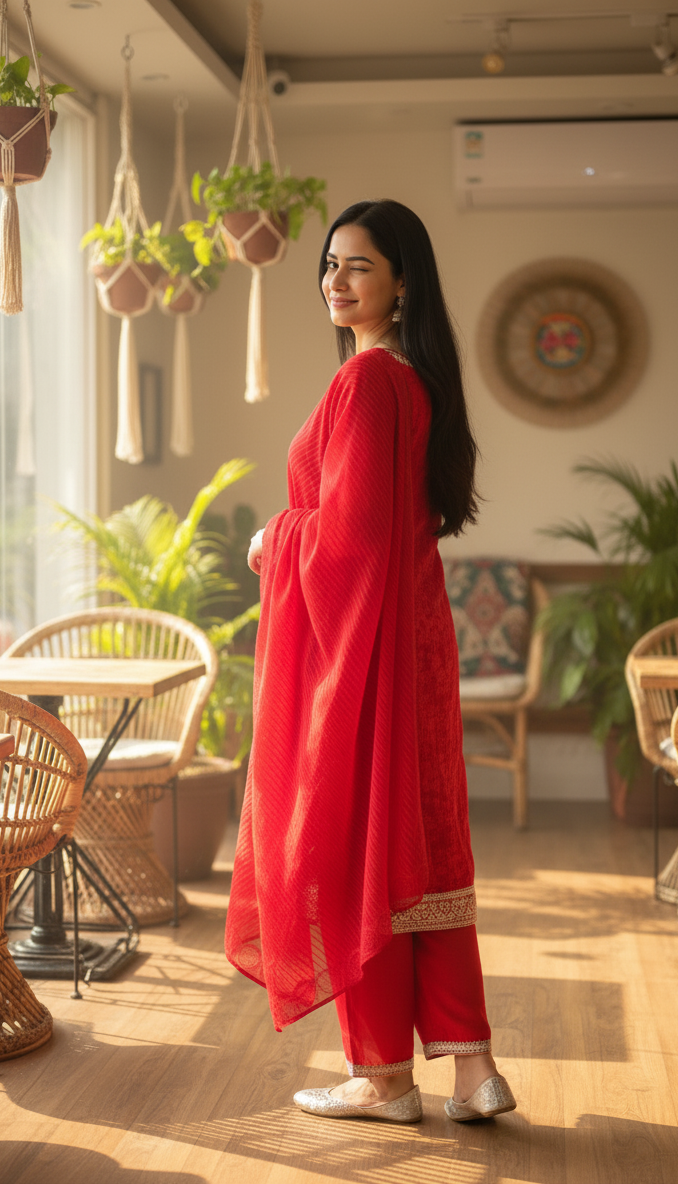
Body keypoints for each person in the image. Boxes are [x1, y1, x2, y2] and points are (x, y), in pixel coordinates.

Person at [225, 199, 516, 1125]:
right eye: (329, 263)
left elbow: (347, 541)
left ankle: (386, 1077)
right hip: (414, 641)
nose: (334, 280)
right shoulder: (418, 382)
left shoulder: (366, 385)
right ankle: (474, 1072)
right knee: (421, 852)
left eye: (358, 266)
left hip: (367, 651)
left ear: (402, 282)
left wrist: (276, 536)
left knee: (360, 849)